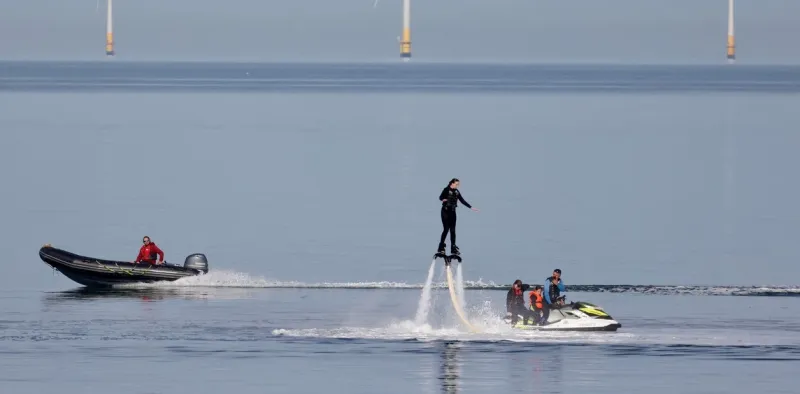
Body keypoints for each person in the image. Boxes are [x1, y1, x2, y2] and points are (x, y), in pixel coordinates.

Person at [437, 178, 478, 255]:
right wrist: (443, 199)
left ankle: (453, 248)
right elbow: (440, 197)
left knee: (453, 230)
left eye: (458, 184)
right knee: (446, 229)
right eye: (456, 184)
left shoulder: (456, 192)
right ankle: (441, 246)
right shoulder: (446, 189)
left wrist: (471, 207)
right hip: (445, 212)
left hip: (453, 212)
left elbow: (462, 200)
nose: (457, 186)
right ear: (452, 183)